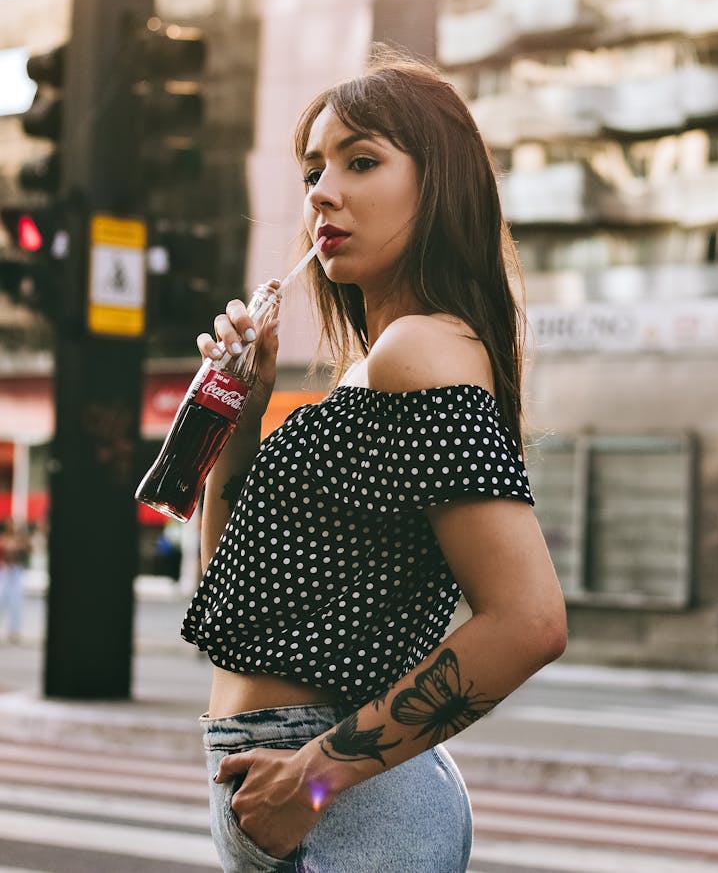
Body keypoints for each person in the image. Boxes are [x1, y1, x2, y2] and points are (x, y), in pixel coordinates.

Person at [182, 50, 567, 872]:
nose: (323, 190)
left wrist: (311, 782)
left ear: (440, 187)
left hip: (344, 806)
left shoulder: (420, 349)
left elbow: (530, 620)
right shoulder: (381, 367)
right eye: (315, 168)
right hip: (292, 792)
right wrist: (242, 422)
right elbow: (235, 602)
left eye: (362, 160)